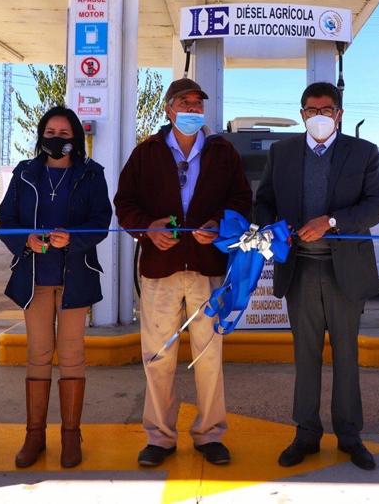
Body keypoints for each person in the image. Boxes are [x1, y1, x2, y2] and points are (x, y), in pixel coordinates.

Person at [114, 78, 252, 468]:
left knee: (209, 357)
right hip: (160, 270)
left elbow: (243, 200)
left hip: (209, 269)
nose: (192, 109)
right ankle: (159, 437)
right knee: (158, 356)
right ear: (168, 110)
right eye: (184, 103)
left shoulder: (223, 152)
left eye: (197, 103)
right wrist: (147, 229)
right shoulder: (147, 153)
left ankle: (210, 435)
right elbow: (124, 203)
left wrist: (221, 224)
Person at [254, 81, 379, 471]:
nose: (318, 117)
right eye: (311, 111)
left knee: (347, 354)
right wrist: (271, 228)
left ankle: (349, 435)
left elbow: (375, 207)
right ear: (302, 115)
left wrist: (330, 221)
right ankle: (306, 433)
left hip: (345, 269)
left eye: (326, 110)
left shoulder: (363, 153)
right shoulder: (283, 153)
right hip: (300, 269)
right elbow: (263, 202)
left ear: (339, 115)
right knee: (305, 354)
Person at [0, 106, 112, 468]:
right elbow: (6, 220)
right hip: (34, 279)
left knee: (73, 354)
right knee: (38, 354)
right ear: (40, 135)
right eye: (51, 132)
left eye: (65, 133)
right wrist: (25, 240)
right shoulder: (24, 172)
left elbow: (101, 221)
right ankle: (34, 436)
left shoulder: (92, 174)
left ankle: (70, 436)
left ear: (76, 138)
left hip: (75, 277)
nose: (57, 138)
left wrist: (74, 239)